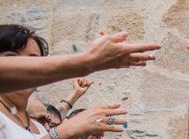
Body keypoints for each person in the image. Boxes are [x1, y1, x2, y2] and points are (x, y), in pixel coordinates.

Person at [0, 31, 159, 94]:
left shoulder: (37, 125)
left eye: (34, 61)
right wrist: (89, 62)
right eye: (12, 59)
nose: (28, 68)